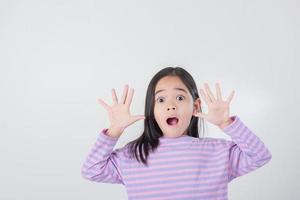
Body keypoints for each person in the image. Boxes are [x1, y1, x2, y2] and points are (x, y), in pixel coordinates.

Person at [81, 67, 272, 200]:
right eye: (161, 99)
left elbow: (260, 156)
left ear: (195, 106)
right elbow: (91, 170)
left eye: (180, 97)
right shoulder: (132, 155)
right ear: (152, 109)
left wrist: (226, 123)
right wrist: (115, 130)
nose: (171, 105)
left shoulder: (218, 152)